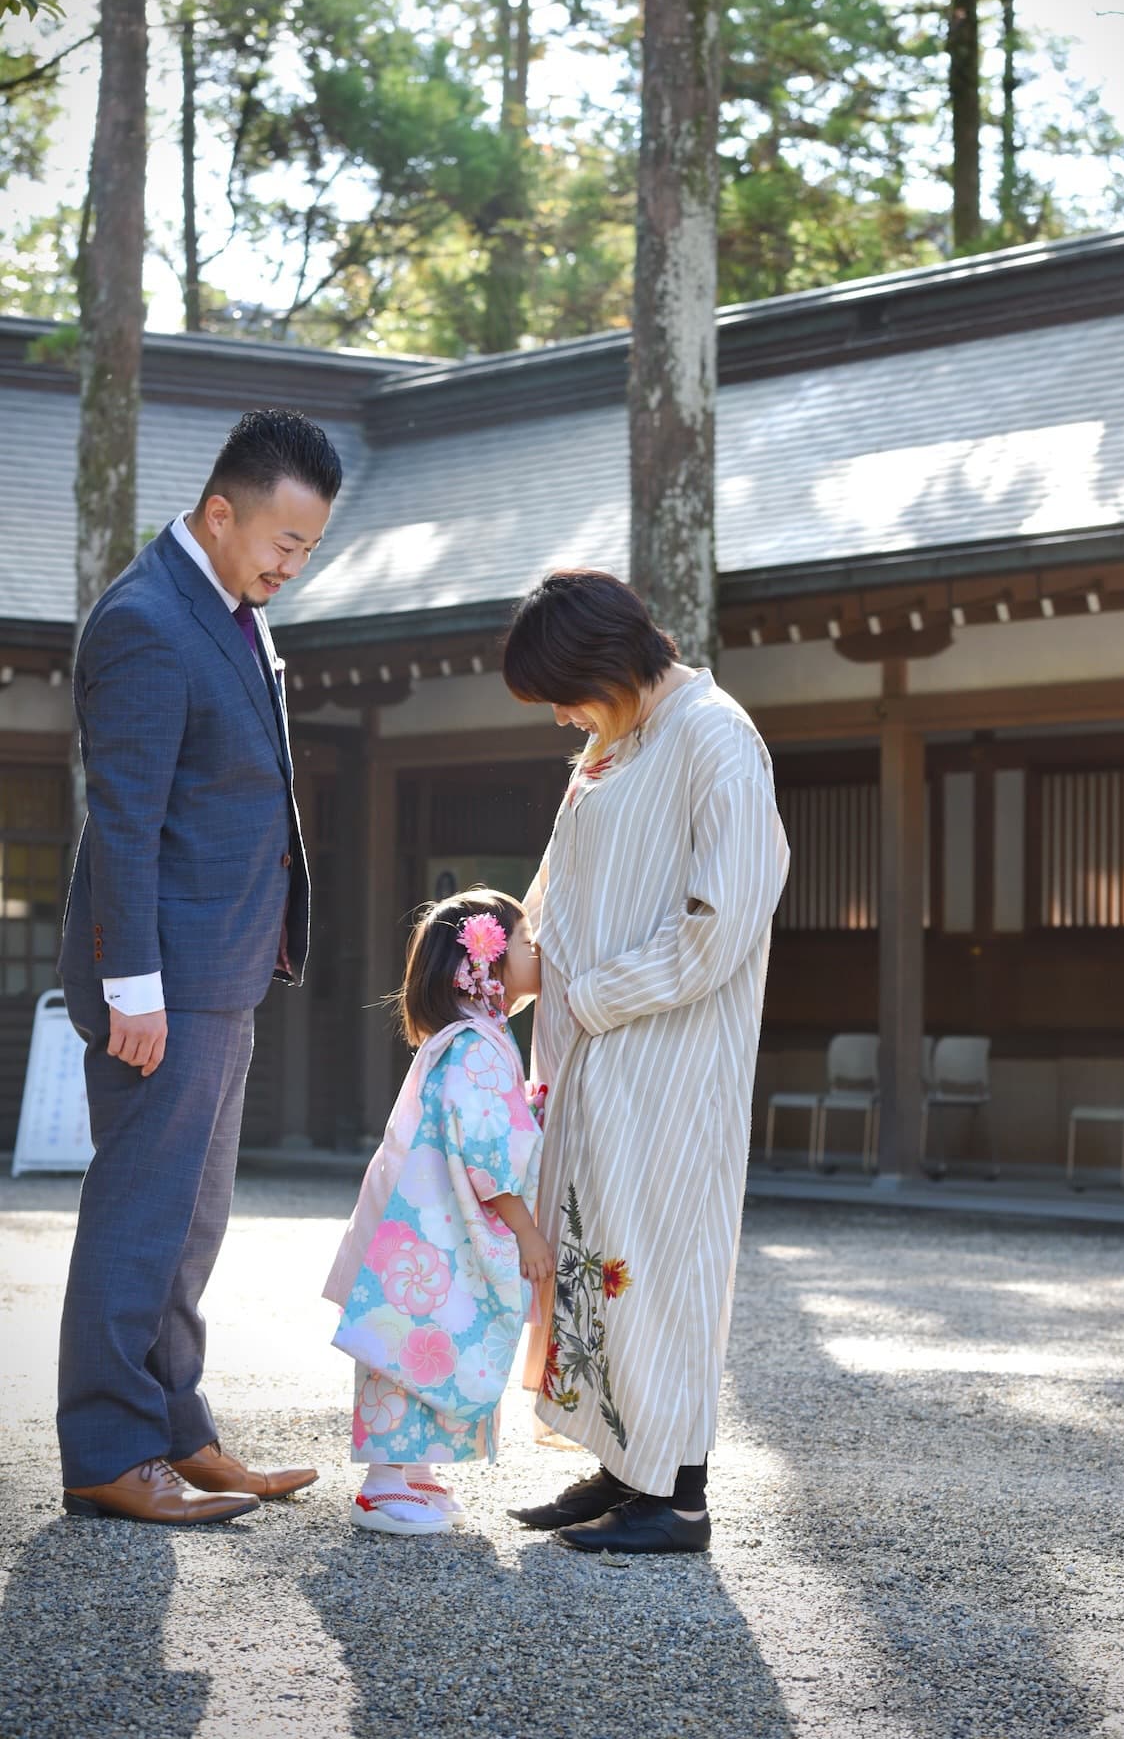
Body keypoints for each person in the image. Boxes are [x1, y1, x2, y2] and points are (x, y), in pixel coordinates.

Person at [57, 410, 342, 1525]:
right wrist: (132, 984)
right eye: (281, 540)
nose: (290, 563)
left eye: (308, 548)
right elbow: (123, 821)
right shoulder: (143, 619)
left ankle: (177, 1426)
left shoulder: (228, 609)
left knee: (193, 1218)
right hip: (160, 985)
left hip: (218, 970)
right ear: (219, 511)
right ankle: (108, 1448)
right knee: (141, 1214)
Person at [501, 569, 790, 1555]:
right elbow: (558, 879)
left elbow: (724, 921)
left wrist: (588, 993)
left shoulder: (713, 735)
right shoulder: (613, 739)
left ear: (606, 663)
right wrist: (518, 962)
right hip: (594, 1052)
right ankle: (626, 1466)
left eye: (562, 693)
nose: (560, 718)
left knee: (663, 1262)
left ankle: (678, 1495)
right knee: (600, 1255)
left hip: (668, 1055)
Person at [323, 890, 550, 1538]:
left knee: (429, 1340)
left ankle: (414, 1470)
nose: (541, 949)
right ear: (486, 963)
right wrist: (527, 1228)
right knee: (408, 1344)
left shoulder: (472, 1037)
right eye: (529, 939)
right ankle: (381, 1485)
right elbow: (486, 1145)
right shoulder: (475, 1046)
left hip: (418, 1229)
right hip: (425, 1234)